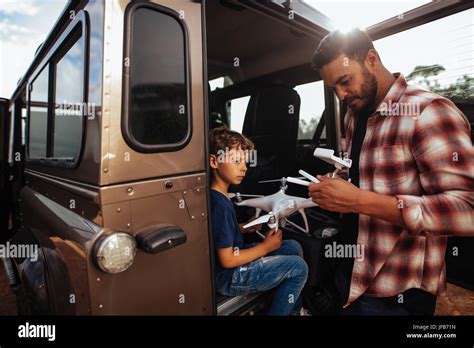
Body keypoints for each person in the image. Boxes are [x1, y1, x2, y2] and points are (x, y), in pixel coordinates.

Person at [309, 28, 474, 315]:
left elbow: (467, 210)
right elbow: (362, 173)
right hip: (351, 272)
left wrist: (358, 201)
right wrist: (337, 185)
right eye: (333, 88)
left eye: (345, 81)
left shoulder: (428, 111)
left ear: (371, 59)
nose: (341, 95)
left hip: (397, 290)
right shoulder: (353, 115)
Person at [209, 126, 309, 315]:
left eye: (245, 162)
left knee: (293, 247)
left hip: (233, 266)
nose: (244, 167)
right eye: (237, 161)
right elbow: (228, 259)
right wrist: (266, 247)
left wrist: (242, 228)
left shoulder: (219, 196)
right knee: (299, 268)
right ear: (214, 161)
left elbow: (219, 233)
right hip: (230, 276)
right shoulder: (219, 204)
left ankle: (294, 310)